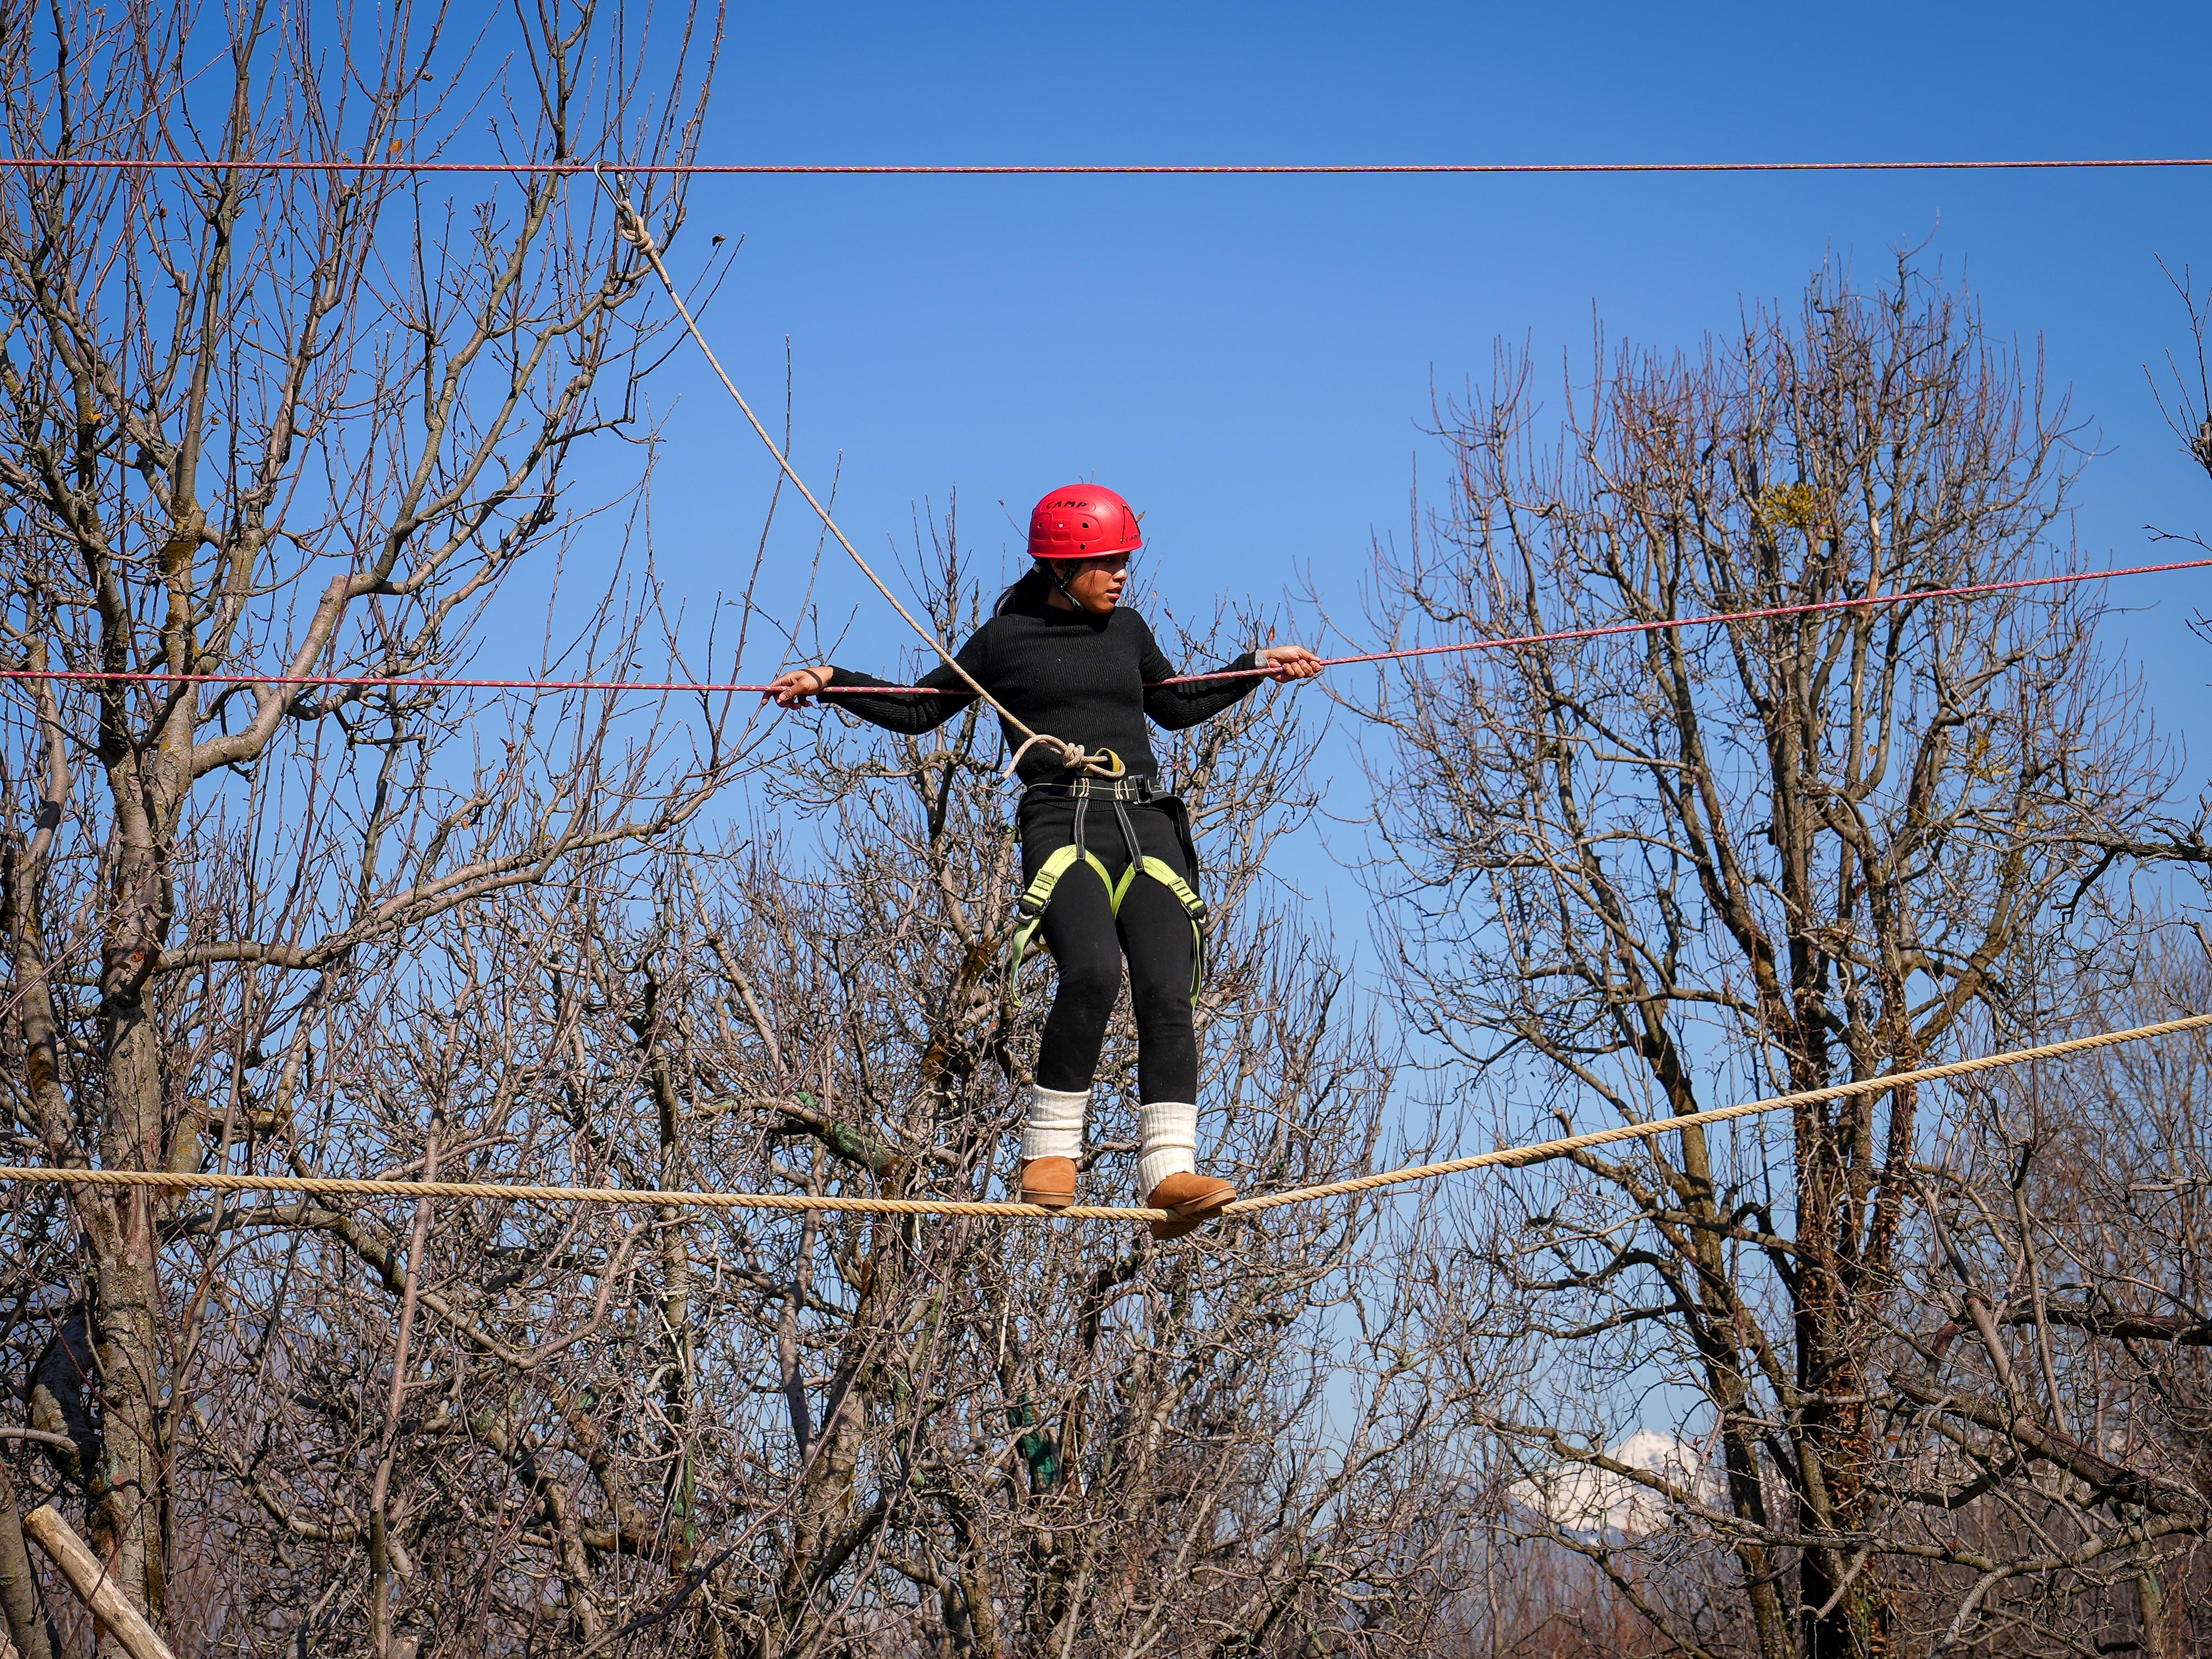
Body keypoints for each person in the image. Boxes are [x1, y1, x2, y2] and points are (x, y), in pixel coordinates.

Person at [767, 483, 1323, 1238]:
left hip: (1145, 822)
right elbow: (920, 707)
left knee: (1167, 981)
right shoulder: (1004, 641)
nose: (1122, 574)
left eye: (1125, 559)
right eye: (1105, 562)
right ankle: (1049, 1156)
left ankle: (1169, 1175)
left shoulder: (1128, 630)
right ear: (1062, 569)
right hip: (1061, 819)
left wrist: (1256, 664)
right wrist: (833, 682)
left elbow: (1175, 702)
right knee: (1092, 970)